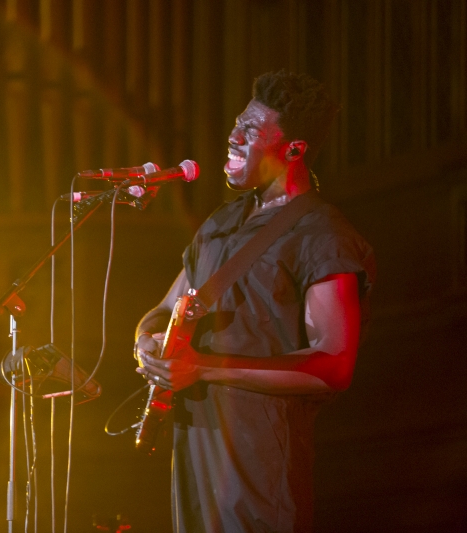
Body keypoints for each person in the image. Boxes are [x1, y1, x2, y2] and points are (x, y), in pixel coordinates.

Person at [134, 70, 376, 533]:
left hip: (259, 464)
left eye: (250, 130)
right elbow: (164, 309)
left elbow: (336, 365)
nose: (233, 137)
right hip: (193, 451)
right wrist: (145, 341)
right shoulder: (221, 222)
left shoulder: (323, 236)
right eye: (237, 123)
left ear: (294, 150)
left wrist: (203, 367)